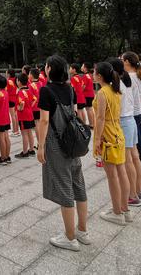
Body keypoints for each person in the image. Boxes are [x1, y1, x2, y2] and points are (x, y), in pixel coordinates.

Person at [37, 55, 90, 251]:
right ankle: (82, 230)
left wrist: (40, 146)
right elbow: (73, 114)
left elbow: (43, 121)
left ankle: (69, 237)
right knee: (78, 185)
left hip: (56, 144)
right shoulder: (70, 89)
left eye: (46, 65)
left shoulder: (46, 91)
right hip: (73, 143)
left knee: (65, 187)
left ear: (49, 69)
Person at [93, 61, 131, 225]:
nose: (93, 75)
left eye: (95, 72)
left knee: (112, 176)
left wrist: (96, 140)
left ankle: (117, 212)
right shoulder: (116, 91)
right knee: (121, 172)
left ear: (99, 76)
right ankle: (124, 209)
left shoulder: (102, 93)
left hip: (108, 135)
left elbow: (101, 118)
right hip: (118, 132)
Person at [110, 58, 141, 207]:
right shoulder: (127, 80)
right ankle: (137, 190)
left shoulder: (117, 85)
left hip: (124, 121)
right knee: (135, 157)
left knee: (129, 159)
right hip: (131, 119)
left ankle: (132, 195)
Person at [122, 52, 141, 195]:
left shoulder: (130, 77)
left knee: (138, 150)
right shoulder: (139, 75)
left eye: (122, 60)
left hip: (132, 115)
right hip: (140, 112)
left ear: (127, 61)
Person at [0, 74, 12, 165]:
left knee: (1, 139)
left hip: (0, 119)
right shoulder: (5, 92)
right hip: (6, 118)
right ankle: (7, 156)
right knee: (6, 137)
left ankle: (3, 158)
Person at [15, 73, 36, 158]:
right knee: (30, 132)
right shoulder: (28, 90)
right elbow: (35, 99)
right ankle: (31, 150)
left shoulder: (20, 92)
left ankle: (24, 152)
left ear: (19, 82)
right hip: (30, 114)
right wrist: (30, 106)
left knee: (24, 134)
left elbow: (22, 102)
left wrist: (20, 108)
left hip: (23, 116)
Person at [81, 62, 96, 129]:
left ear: (85, 68)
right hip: (91, 94)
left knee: (88, 109)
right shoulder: (89, 75)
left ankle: (91, 124)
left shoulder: (85, 76)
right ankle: (93, 123)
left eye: (82, 66)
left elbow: (83, 86)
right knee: (90, 109)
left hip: (87, 95)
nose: (81, 67)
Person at [7, 69, 21, 136]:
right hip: (15, 98)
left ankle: (15, 131)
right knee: (15, 115)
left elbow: (7, 90)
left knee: (12, 115)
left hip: (10, 99)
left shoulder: (8, 81)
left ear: (9, 74)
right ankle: (16, 130)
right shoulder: (16, 79)